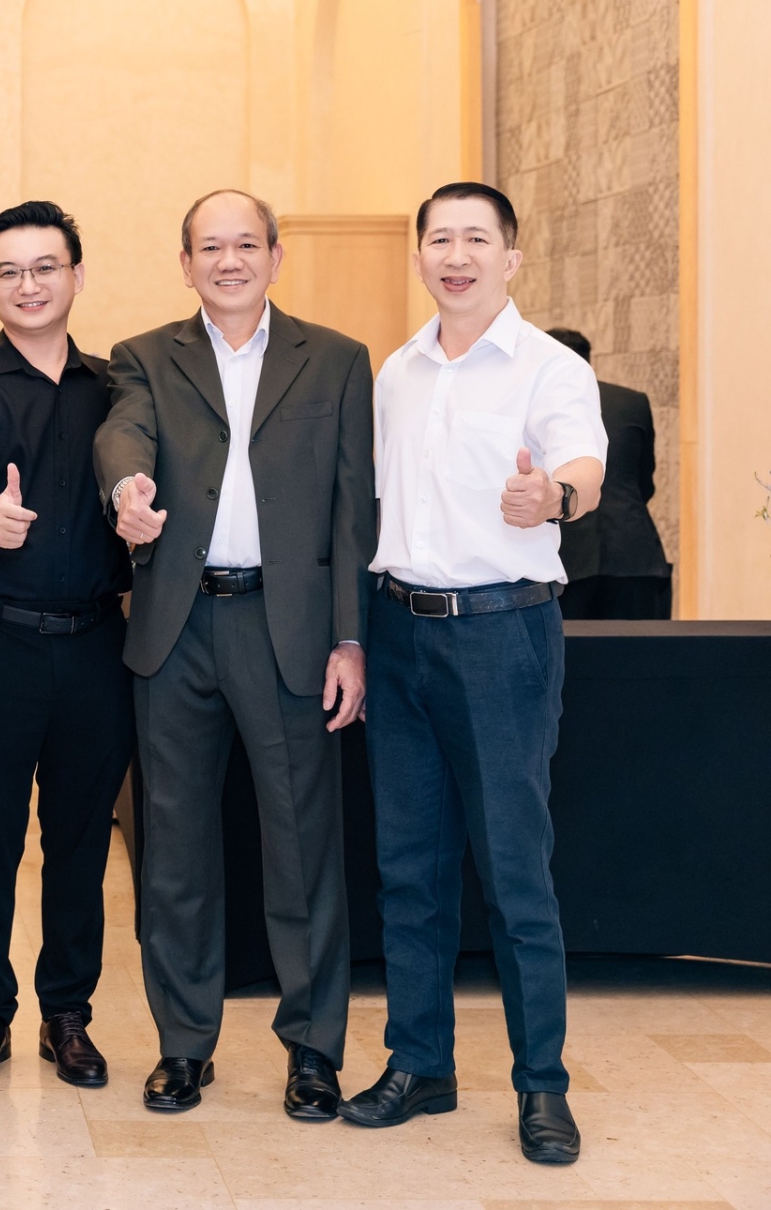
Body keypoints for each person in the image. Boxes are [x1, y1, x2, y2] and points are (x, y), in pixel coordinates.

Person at [93, 189, 376, 1121]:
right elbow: (123, 432)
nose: (228, 261)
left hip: (288, 632)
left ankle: (314, 1051)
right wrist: (128, 490)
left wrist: (350, 638)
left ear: (275, 257)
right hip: (178, 629)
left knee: (303, 848)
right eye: (209, 247)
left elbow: (353, 510)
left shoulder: (336, 360)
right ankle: (184, 1045)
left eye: (245, 244)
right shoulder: (145, 356)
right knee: (174, 851)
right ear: (186, 265)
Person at [338, 182, 605, 1167]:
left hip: (502, 634)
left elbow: (584, 469)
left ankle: (542, 1085)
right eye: (440, 239)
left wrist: (553, 497)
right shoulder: (397, 371)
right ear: (419, 256)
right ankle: (421, 1063)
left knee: (513, 871)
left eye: (476, 239)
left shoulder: (550, 366)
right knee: (409, 867)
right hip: (398, 630)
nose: (457, 255)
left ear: (511, 257)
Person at [0, 202, 135, 1091]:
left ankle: (68, 1014)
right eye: (8, 271)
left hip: (96, 644)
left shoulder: (119, 385)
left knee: (81, 841)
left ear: (76, 276)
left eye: (45, 267)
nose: (28, 284)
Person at [545, 328, 671, 619]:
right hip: (633, 554)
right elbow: (644, 483)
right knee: (637, 647)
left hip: (567, 558)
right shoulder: (632, 402)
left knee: (570, 647)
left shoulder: (540, 405)